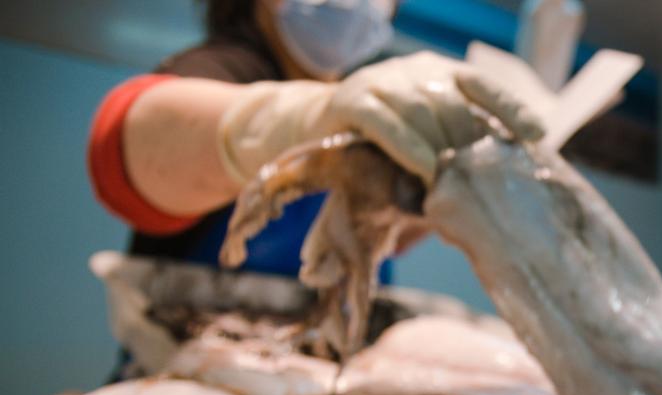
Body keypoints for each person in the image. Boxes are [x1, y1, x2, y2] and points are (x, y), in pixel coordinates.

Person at [87, 0, 543, 276]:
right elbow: (126, 145)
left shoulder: (365, 94)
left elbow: (384, 235)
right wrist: (306, 119)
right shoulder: (226, 68)